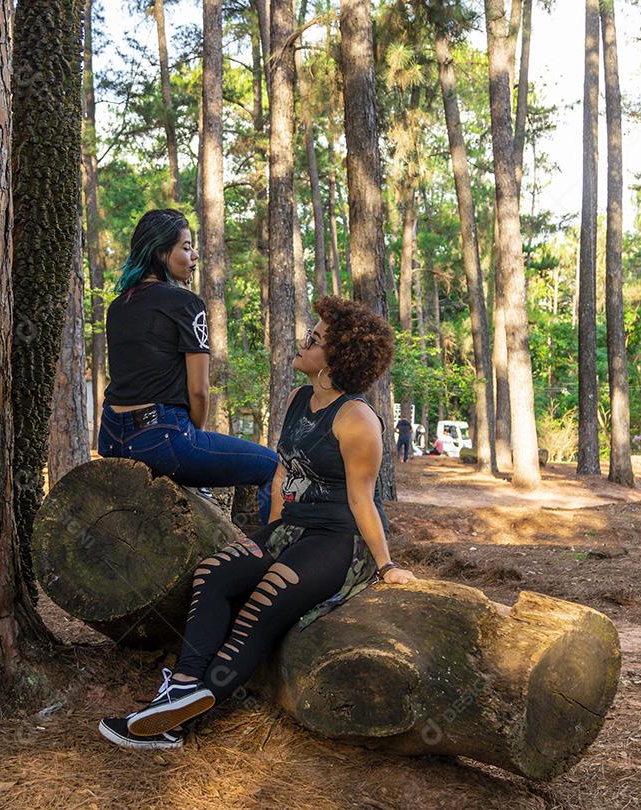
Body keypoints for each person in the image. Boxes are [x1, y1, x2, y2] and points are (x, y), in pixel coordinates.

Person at [99, 296, 418, 750]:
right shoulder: (295, 399)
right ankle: (182, 687)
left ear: (337, 358)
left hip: (338, 539)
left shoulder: (358, 419)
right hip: (291, 527)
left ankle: (176, 724)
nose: (304, 340)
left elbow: (362, 499)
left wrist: (386, 566)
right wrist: (267, 538)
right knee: (212, 574)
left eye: (316, 338)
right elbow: (282, 473)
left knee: (263, 601)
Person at [97, 209, 277, 523]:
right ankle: (264, 554)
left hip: (111, 438)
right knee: (274, 466)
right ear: (161, 252)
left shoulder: (118, 306)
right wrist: (192, 439)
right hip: (163, 439)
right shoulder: (186, 303)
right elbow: (199, 390)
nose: (194, 255)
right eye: (186, 246)